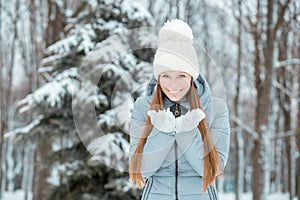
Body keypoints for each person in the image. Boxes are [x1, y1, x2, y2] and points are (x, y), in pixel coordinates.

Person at [129, 19, 230, 200]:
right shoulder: (143, 107)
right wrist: (164, 131)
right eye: (165, 76)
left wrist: (186, 131)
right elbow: (142, 169)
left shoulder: (216, 108)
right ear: (158, 77)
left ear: (192, 76)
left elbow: (213, 170)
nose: (173, 85)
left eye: (181, 75)